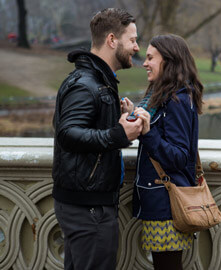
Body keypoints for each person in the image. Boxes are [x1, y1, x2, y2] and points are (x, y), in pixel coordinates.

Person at [52, 8, 142, 270]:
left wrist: (122, 121)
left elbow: (85, 128)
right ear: (112, 40)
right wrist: (118, 134)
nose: (136, 47)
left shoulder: (98, 81)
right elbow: (67, 133)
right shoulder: (85, 83)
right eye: (133, 39)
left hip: (90, 205)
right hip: (87, 208)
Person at [132, 34, 204, 270]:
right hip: (160, 202)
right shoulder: (167, 97)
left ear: (169, 61)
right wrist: (136, 114)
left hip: (167, 205)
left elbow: (180, 156)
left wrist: (148, 131)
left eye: (150, 57)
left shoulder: (177, 100)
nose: (144, 63)